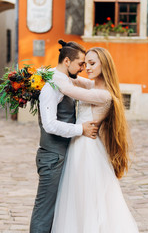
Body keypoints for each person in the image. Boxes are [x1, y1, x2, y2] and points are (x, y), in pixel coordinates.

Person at [51, 46, 139, 232]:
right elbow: (74, 79)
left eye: (91, 63)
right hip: (80, 143)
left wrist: (48, 74)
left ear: (104, 65)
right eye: (84, 63)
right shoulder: (94, 85)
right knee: (79, 195)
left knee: (88, 195)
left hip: (87, 148)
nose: (86, 67)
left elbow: (67, 88)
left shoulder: (104, 94)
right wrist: (58, 70)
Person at [30, 41, 98, 233]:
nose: (83, 68)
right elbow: (49, 124)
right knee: (45, 212)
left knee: (56, 210)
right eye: (80, 64)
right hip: (52, 157)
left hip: (59, 155)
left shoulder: (64, 80)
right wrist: (80, 129)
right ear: (67, 61)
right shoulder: (52, 85)